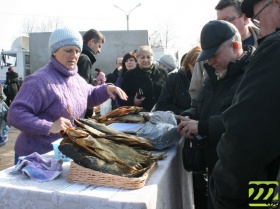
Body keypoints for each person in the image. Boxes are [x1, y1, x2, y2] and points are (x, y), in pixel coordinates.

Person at [7, 27, 127, 164]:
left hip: (62, 154)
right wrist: (49, 126)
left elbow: (89, 95)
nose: (74, 55)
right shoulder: (39, 80)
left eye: (77, 51)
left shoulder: (75, 78)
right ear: (55, 51)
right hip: (35, 158)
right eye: (68, 50)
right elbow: (15, 114)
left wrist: (106, 89)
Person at [176, 20, 255, 209]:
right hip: (218, 171)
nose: (209, 61)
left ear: (235, 47)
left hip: (252, 176)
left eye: (214, 54)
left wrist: (202, 126)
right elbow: (200, 104)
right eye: (207, 55)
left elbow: (248, 121)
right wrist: (188, 116)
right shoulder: (212, 74)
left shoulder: (254, 74)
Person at [210, 1, 280, 208]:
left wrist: (224, 192)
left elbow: (247, 137)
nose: (261, 30)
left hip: (264, 182)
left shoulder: (275, 48)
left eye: (258, 17)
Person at [189, 0, 260, 101]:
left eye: (229, 20)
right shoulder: (207, 56)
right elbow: (195, 91)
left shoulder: (266, 46)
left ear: (245, 18)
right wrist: (195, 113)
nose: (224, 25)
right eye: (220, 21)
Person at [155, 45, 201, 115]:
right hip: (178, 123)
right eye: (195, 65)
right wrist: (186, 114)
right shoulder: (174, 80)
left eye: (202, 65)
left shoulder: (211, 81)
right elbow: (161, 105)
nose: (199, 69)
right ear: (189, 65)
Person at [119, 45, 167, 112]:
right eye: (142, 57)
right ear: (137, 58)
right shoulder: (129, 76)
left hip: (160, 113)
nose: (146, 60)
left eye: (148, 57)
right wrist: (133, 101)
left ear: (153, 58)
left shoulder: (162, 73)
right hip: (140, 116)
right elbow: (121, 98)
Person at [77, 28, 105, 118]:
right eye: (99, 46)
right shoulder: (84, 59)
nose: (99, 51)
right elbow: (81, 91)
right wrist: (90, 110)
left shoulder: (79, 57)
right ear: (91, 42)